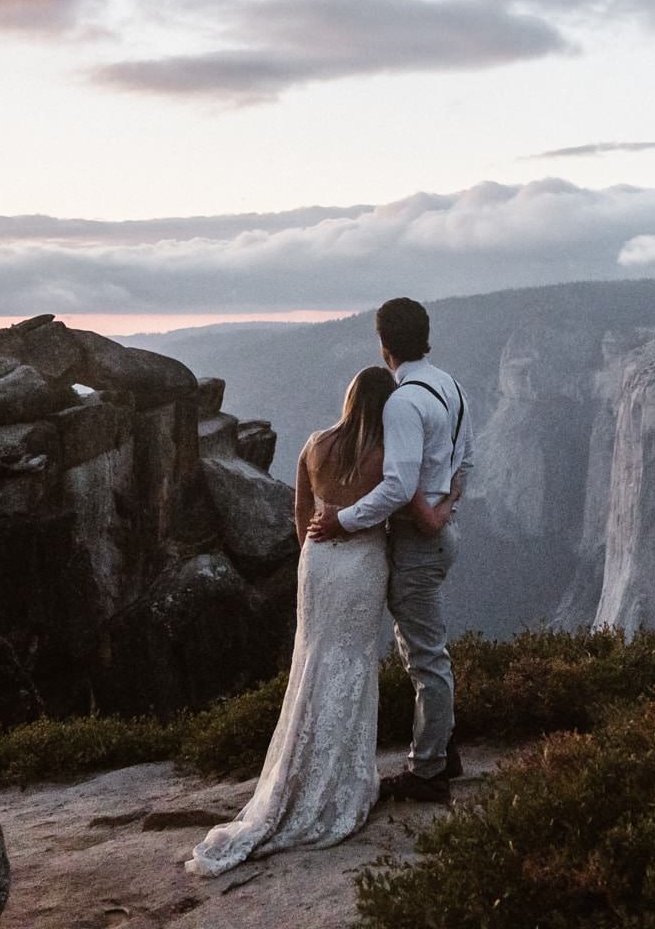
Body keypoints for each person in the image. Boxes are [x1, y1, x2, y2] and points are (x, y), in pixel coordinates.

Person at [186, 366, 454, 878]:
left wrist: (316, 549)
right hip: (360, 563)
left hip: (318, 562)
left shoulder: (314, 444)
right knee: (351, 664)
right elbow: (397, 512)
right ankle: (340, 786)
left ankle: (296, 775)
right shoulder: (384, 457)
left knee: (310, 660)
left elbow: (300, 514)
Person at [309, 297, 472, 805]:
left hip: (418, 544)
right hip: (437, 534)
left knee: (424, 655)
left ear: (383, 347)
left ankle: (428, 773)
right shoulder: (450, 385)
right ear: (426, 337)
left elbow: (397, 487)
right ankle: (442, 747)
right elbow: (466, 457)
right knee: (419, 646)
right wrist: (444, 505)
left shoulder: (401, 402)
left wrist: (342, 519)